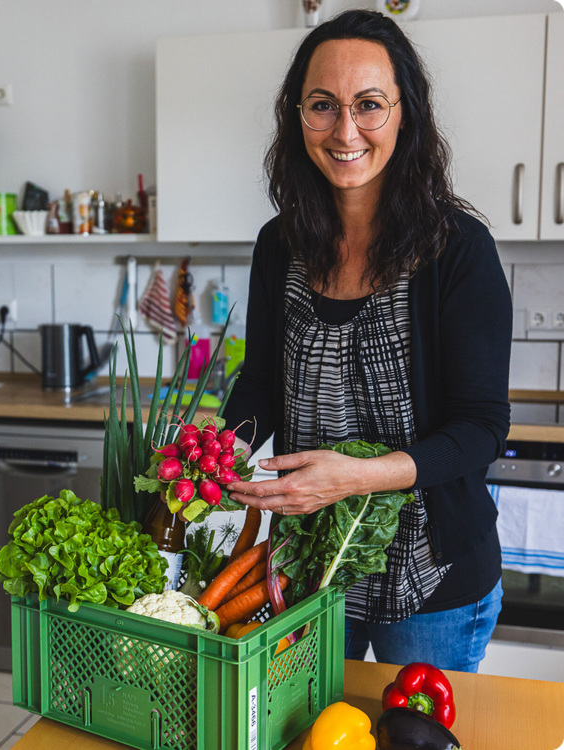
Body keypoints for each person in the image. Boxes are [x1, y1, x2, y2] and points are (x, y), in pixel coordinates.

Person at [221, 9, 512, 673]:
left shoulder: (458, 249)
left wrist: (354, 479)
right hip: (310, 568)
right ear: (297, 115)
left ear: (406, 113)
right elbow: (262, 383)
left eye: (369, 105)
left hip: (436, 581)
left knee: (411, 737)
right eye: (322, 105)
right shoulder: (279, 245)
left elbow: (481, 428)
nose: (344, 130)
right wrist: (220, 450)